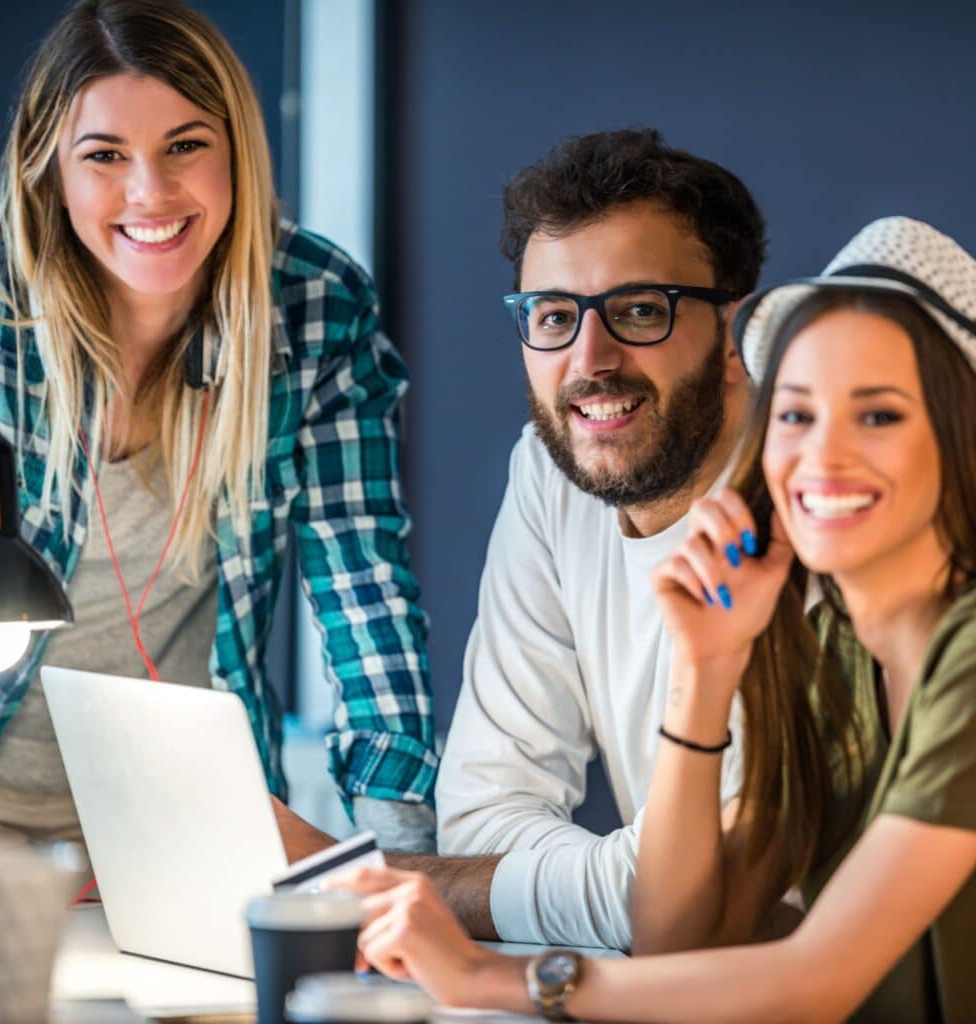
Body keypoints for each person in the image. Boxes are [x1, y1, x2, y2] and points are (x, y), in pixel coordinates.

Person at [334, 216, 976, 1022]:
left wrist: (486, 977)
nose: (821, 456)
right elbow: (678, 937)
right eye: (796, 414)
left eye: (879, 416)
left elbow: (817, 978)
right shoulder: (831, 648)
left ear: (968, 436)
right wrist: (707, 666)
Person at [281, 129, 765, 947]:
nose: (591, 359)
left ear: (733, 332)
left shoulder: (820, 507)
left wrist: (377, 879)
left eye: (640, 311)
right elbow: (486, 819)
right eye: (553, 316)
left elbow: (704, 898)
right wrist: (580, 886)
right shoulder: (554, 474)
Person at [0, 0, 436, 854]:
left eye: (185, 146)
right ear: (50, 170)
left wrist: (405, 847)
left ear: (237, 149)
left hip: (186, 828)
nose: (151, 192)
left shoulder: (313, 307)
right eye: (105, 156)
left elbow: (363, 582)